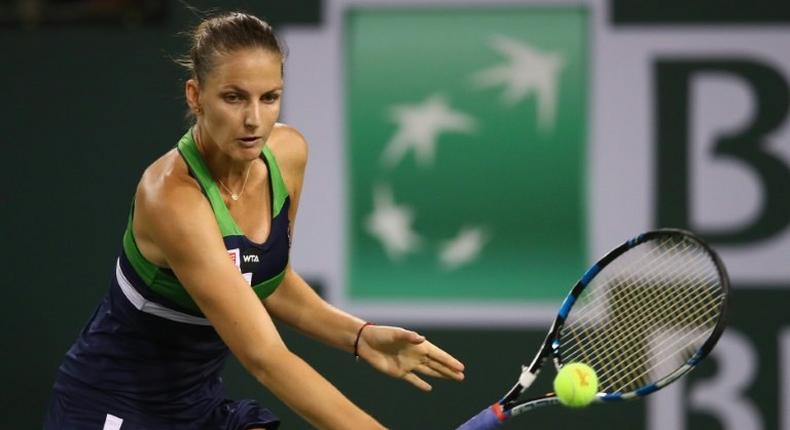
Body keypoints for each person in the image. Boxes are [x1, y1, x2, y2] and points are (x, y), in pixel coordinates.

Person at [44, 11, 465, 430]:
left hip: (199, 404)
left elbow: (267, 279)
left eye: (269, 97)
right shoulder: (171, 199)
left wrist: (358, 336)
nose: (254, 120)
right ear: (195, 96)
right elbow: (265, 358)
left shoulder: (288, 154)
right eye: (234, 97)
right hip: (114, 407)